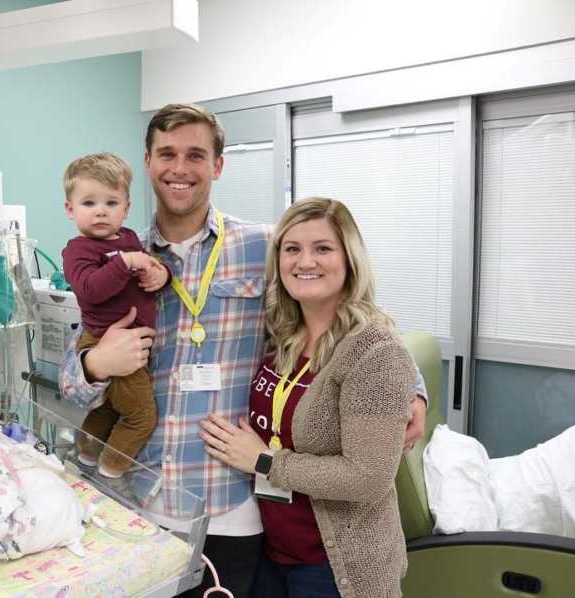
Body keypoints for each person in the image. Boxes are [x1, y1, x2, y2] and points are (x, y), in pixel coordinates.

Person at [59, 104, 428, 597]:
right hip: (139, 496)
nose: (180, 168)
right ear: (147, 161)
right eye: (167, 154)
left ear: (217, 165)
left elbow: (352, 321)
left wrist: (415, 393)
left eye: (196, 154)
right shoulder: (117, 255)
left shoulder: (266, 246)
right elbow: (69, 380)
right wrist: (97, 364)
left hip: (231, 504)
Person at [200, 198, 415, 597]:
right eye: (292, 248)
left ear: (349, 259)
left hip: (337, 567)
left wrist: (262, 460)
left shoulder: (373, 350)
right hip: (273, 554)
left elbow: (368, 478)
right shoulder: (279, 335)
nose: (305, 261)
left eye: (323, 248)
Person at [61, 152, 169, 479]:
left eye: (111, 202)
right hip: (105, 339)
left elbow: (147, 266)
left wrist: (160, 274)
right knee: (140, 417)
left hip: (134, 339)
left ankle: (87, 455)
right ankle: (111, 475)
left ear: (126, 207)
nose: (100, 211)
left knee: (108, 407)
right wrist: (126, 264)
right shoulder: (77, 250)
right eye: (89, 202)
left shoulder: (130, 240)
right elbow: (91, 289)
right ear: (70, 208)